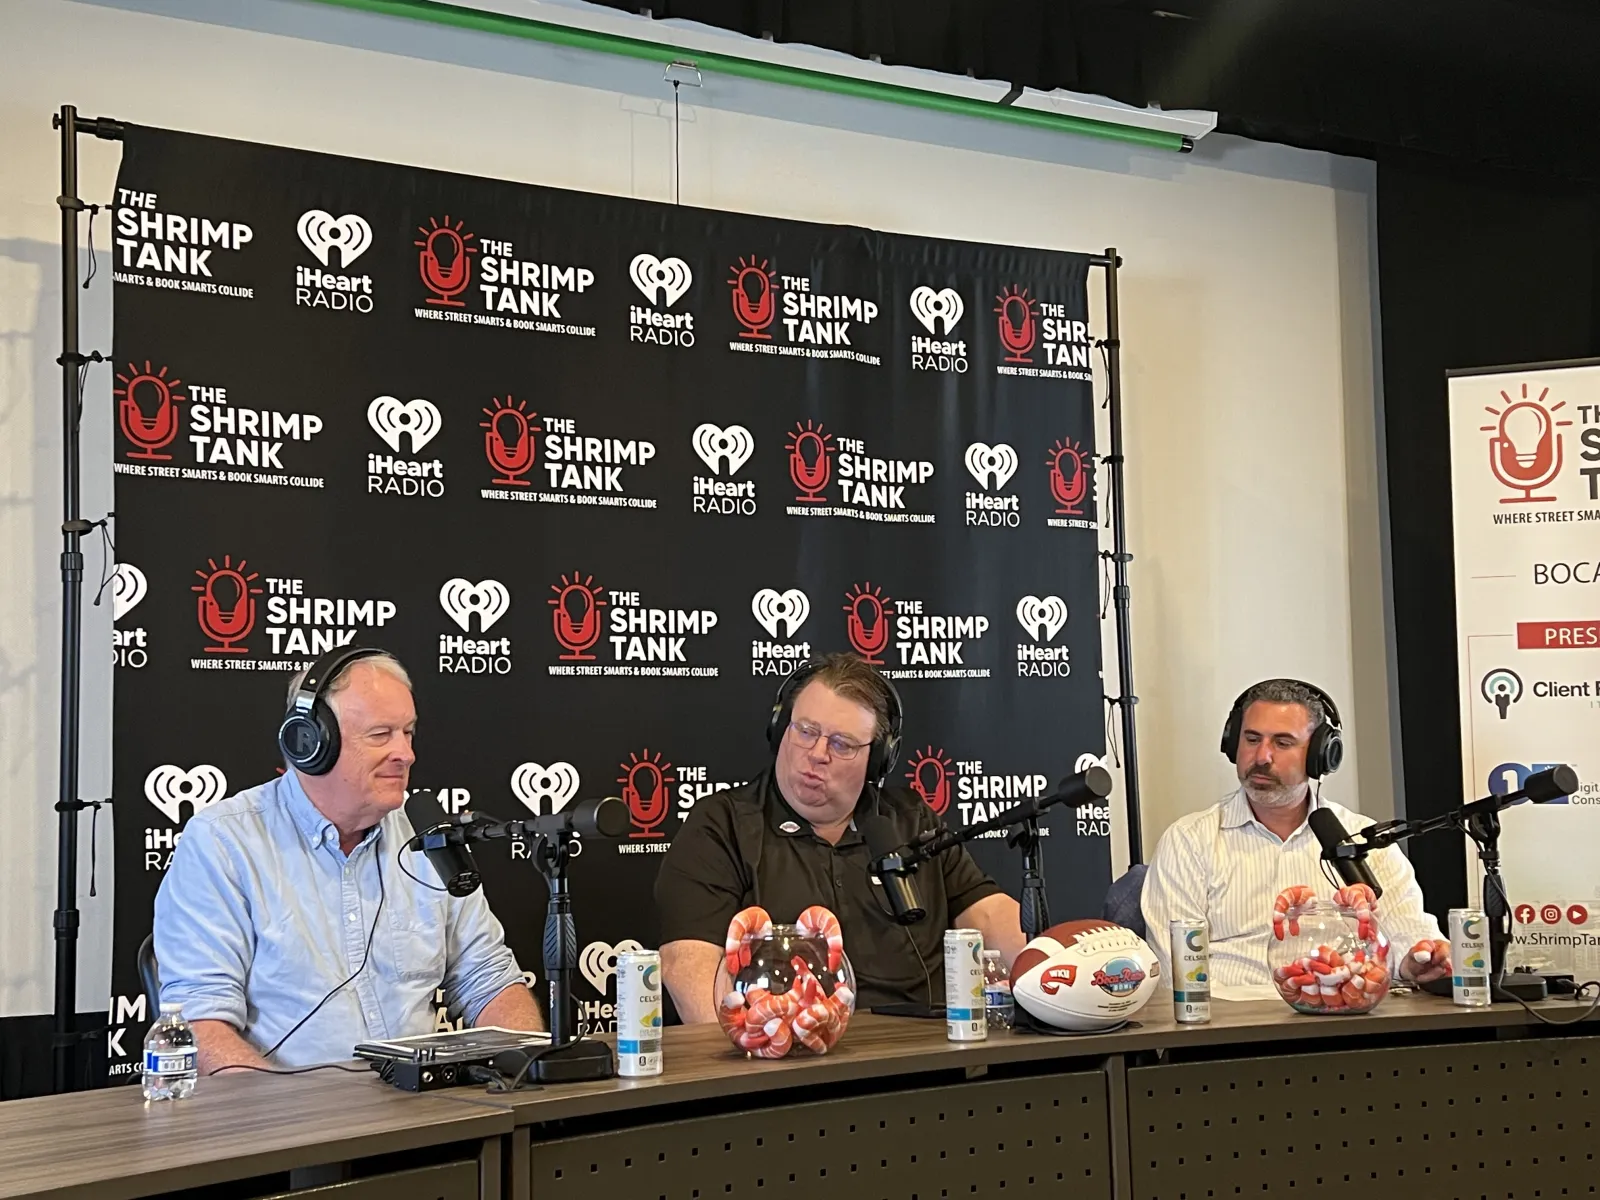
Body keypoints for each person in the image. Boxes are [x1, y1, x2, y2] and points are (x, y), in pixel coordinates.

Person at [153, 647, 542, 1073]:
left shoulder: (425, 834)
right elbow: (200, 1025)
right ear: (310, 742)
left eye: (408, 733)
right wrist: (288, 1124)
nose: (405, 754)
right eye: (381, 735)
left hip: (426, 1115)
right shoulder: (224, 842)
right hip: (289, 1120)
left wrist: (522, 1070)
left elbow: (490, 981)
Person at [655, 653, 1026, 1022]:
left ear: (878, 759)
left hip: (920, 1056)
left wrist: (1045, 975)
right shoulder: (721, 826)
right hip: (783, 1063)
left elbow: (989, 915)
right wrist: (749, 1054)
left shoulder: (911, 820)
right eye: (805, 731)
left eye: (842, 744)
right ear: (781, 727)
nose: (816, 754)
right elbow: (688, 967)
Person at [1141, 678, 1451, 1000]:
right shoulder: (1188, 841)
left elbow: (1410, 940)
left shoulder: (1364, 842)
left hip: (1342, 1022)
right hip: (1228, 1030)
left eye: (1283, 743)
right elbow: (1176, 973)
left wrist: (1420, 961)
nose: (1262, 756)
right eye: (1251, 739)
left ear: (1321, 755)